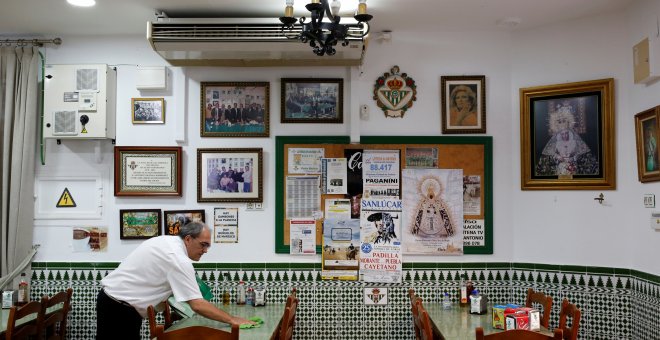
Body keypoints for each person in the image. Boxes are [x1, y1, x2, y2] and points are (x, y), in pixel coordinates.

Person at [96, 222, 254, 339]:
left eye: (208, 246)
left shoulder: (166, 241)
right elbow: (197, 305)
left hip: (113, 301)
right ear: (188, 239)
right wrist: (232, 319)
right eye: (203, 245)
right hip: (119, 308)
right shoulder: (177, 258)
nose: (205, 250)